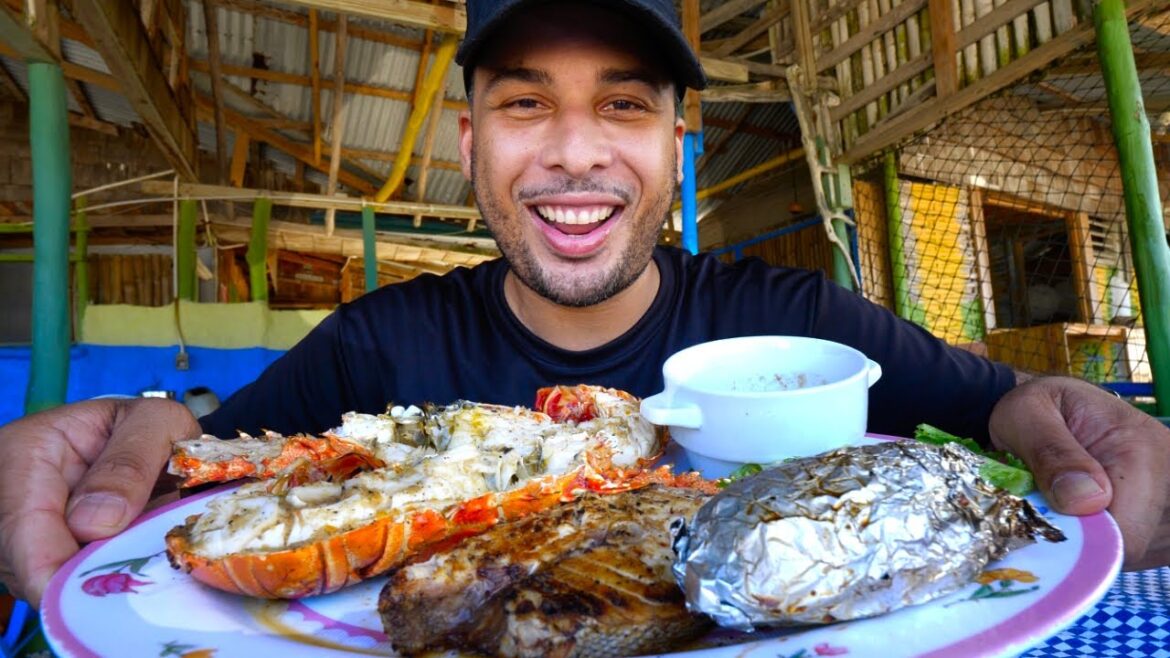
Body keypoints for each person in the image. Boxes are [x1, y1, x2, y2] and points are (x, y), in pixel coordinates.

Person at [1, 0, 1167, 609]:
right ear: (469, 140)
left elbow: (1011, 408)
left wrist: (1061, 418)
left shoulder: (806, 328)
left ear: (676, 138)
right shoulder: (376, 343)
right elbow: (202, 455)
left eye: (621, 106)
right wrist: (159, 415)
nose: (572, 156)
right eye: (523, 105)